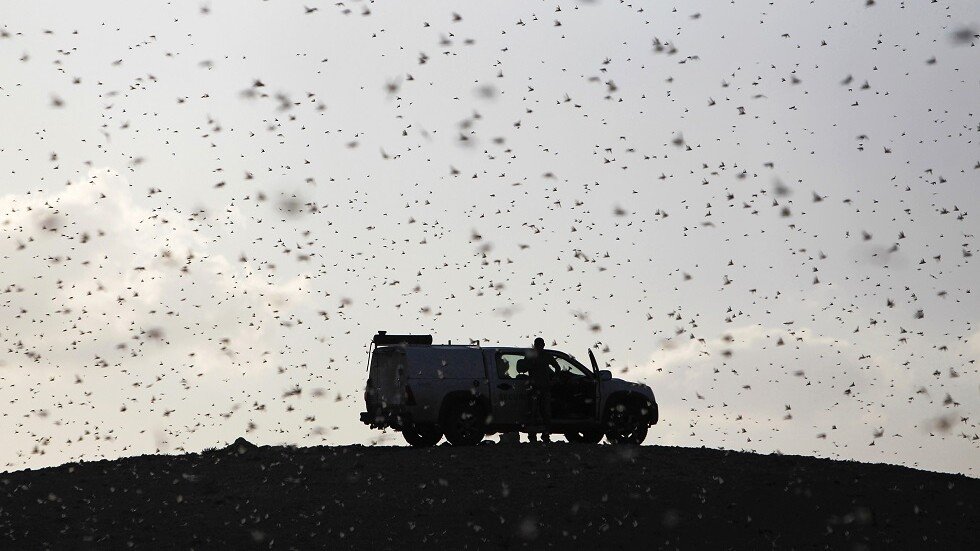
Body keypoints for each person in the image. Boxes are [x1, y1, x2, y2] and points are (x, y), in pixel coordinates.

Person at [525, 337, 559, 442]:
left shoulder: (545, 355)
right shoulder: (534, 356)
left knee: (544, 413)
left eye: (540, 345)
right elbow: (522, 368)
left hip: (543, 388)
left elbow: (557, 367)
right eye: (538, 345)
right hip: (535, 388)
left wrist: (554, 380)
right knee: (534, 413)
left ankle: (544, 435)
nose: (540, 347)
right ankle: (533, 436)